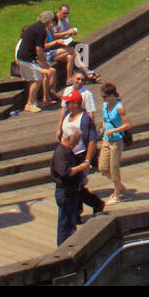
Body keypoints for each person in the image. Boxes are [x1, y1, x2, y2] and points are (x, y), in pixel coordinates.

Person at [57, 90, 105, 218]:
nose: (66, 104)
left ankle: (93, 205)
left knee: (77, 185)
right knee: (74, 185)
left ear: (76, 104)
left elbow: (92, 140)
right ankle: (79, 211)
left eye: (69, 102)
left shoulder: (84, 120)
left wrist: (87, 160)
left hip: (79, 155)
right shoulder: (67, 115)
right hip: (67, 154)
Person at [51, 124, 87, 246]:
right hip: (65, 192)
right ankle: (62, 247)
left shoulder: (68, 151)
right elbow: (66, 172)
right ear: (68, 138)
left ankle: (70, 244)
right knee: (65, 223)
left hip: (72, 191)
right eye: (76, 141)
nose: (77, 144)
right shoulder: (61, 153)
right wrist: (81, 168)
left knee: (71, 221)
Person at [17, 11, 58, 112]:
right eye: (52, 21)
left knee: (34, 79)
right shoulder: (41, 30)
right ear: (49, 21)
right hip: (28, 59)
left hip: (23, 57)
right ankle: (30, 104)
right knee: (37, 79)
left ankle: (33, 101)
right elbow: (39, 49)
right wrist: (43, 62)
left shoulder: (33, 27)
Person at [99, 83, 130, 205]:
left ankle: (116, 194)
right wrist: (104, 128)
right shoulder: (105, 106)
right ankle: (119, 184)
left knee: (114, 167)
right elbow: (104, 120)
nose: (104, 99)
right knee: (103, 167)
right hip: (106, 139)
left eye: (105, 96)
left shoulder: (119, 107)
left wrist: (114, 130)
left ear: (112, 96)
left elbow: (127, 124)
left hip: (116, 140)